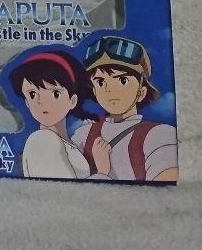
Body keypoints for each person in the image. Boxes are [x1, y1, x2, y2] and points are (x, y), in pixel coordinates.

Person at [71, 35, 178, 183]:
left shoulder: (159, 135)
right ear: (94, 91)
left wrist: (102, 173)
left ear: (141, 92)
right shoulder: (83, 134)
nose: (110, 89)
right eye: (101, 82)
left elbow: (165, 190)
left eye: (122, 80)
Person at [8, 50, 93, 179]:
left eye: (55, 94)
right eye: (32, 94)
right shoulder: (42, 139)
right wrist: (103, 171)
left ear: (72, 101)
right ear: (27, 103)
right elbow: (64, 188)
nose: (42, 102)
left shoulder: (67, 143)